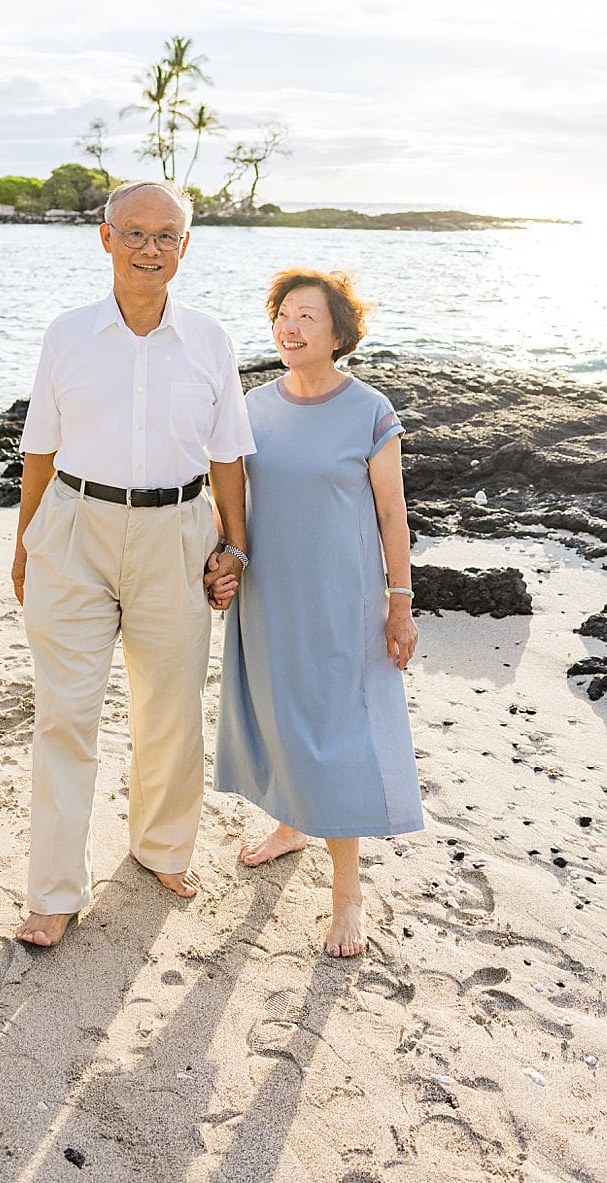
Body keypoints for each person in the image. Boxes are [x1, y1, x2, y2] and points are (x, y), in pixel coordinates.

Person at [12, 181, 254, 948]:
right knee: (65, 714)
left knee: (171, 710)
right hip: (73, 529)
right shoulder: (67, 334)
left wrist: (235, 545)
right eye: (136, 233)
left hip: (179, 533)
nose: (151, 248)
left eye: (167, 236)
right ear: (105, 237)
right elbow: (40, 449)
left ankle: (161, 849)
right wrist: (26, 544)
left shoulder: (212, 339)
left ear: (186, 246)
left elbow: (228, 460)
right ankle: (54, 892)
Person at [209, 268, 423, 957]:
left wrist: (400, 601)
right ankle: (291, 824)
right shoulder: (251, 406)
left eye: (306, 316)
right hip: (271, 592)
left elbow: (392, 512)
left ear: (338, 333)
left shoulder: (369, 409)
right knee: (278, 715)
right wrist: (227, 556)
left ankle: (347, 891)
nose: (289, 327)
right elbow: (230, 497)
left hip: (344, 600)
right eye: (282, 314)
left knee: (336, 732)